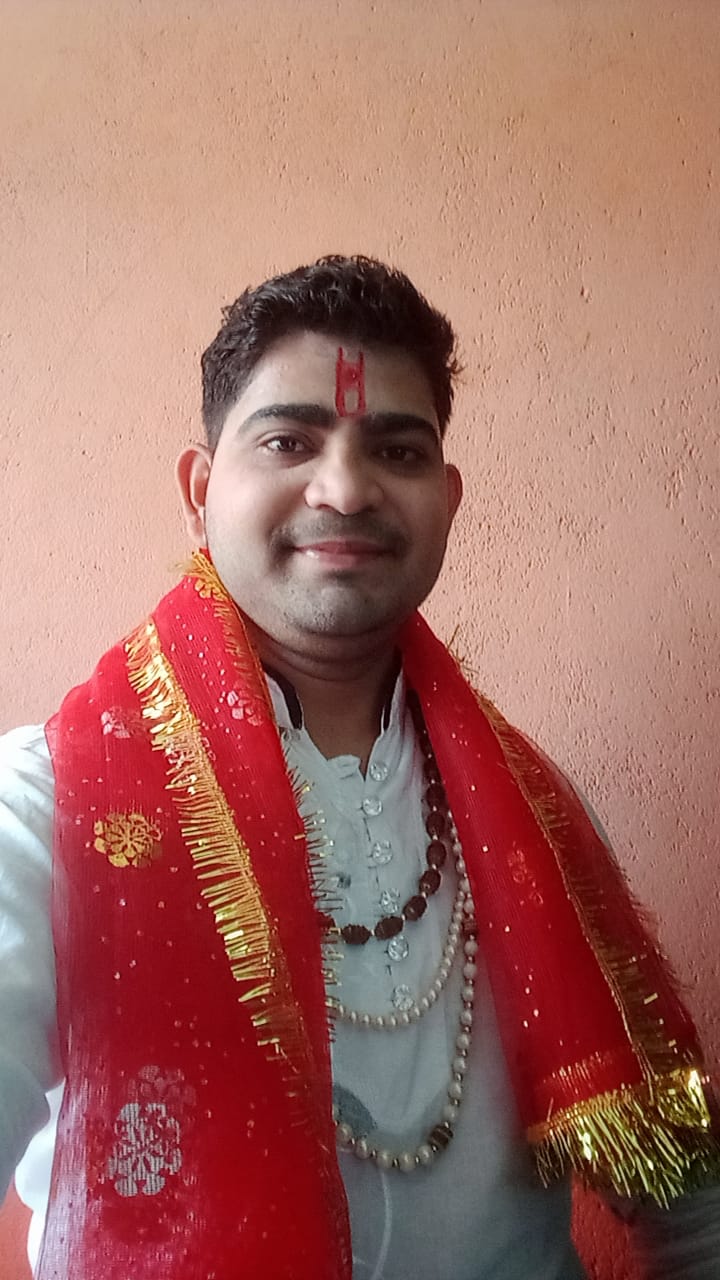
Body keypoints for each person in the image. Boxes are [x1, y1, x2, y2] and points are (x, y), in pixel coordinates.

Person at [0, 255, 718, 1280]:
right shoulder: (47, 804)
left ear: (447, 499)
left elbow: (692, 1213)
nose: (344, 488)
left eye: (397, 449)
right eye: (289, 440)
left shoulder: (541, 823)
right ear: (199, 492)